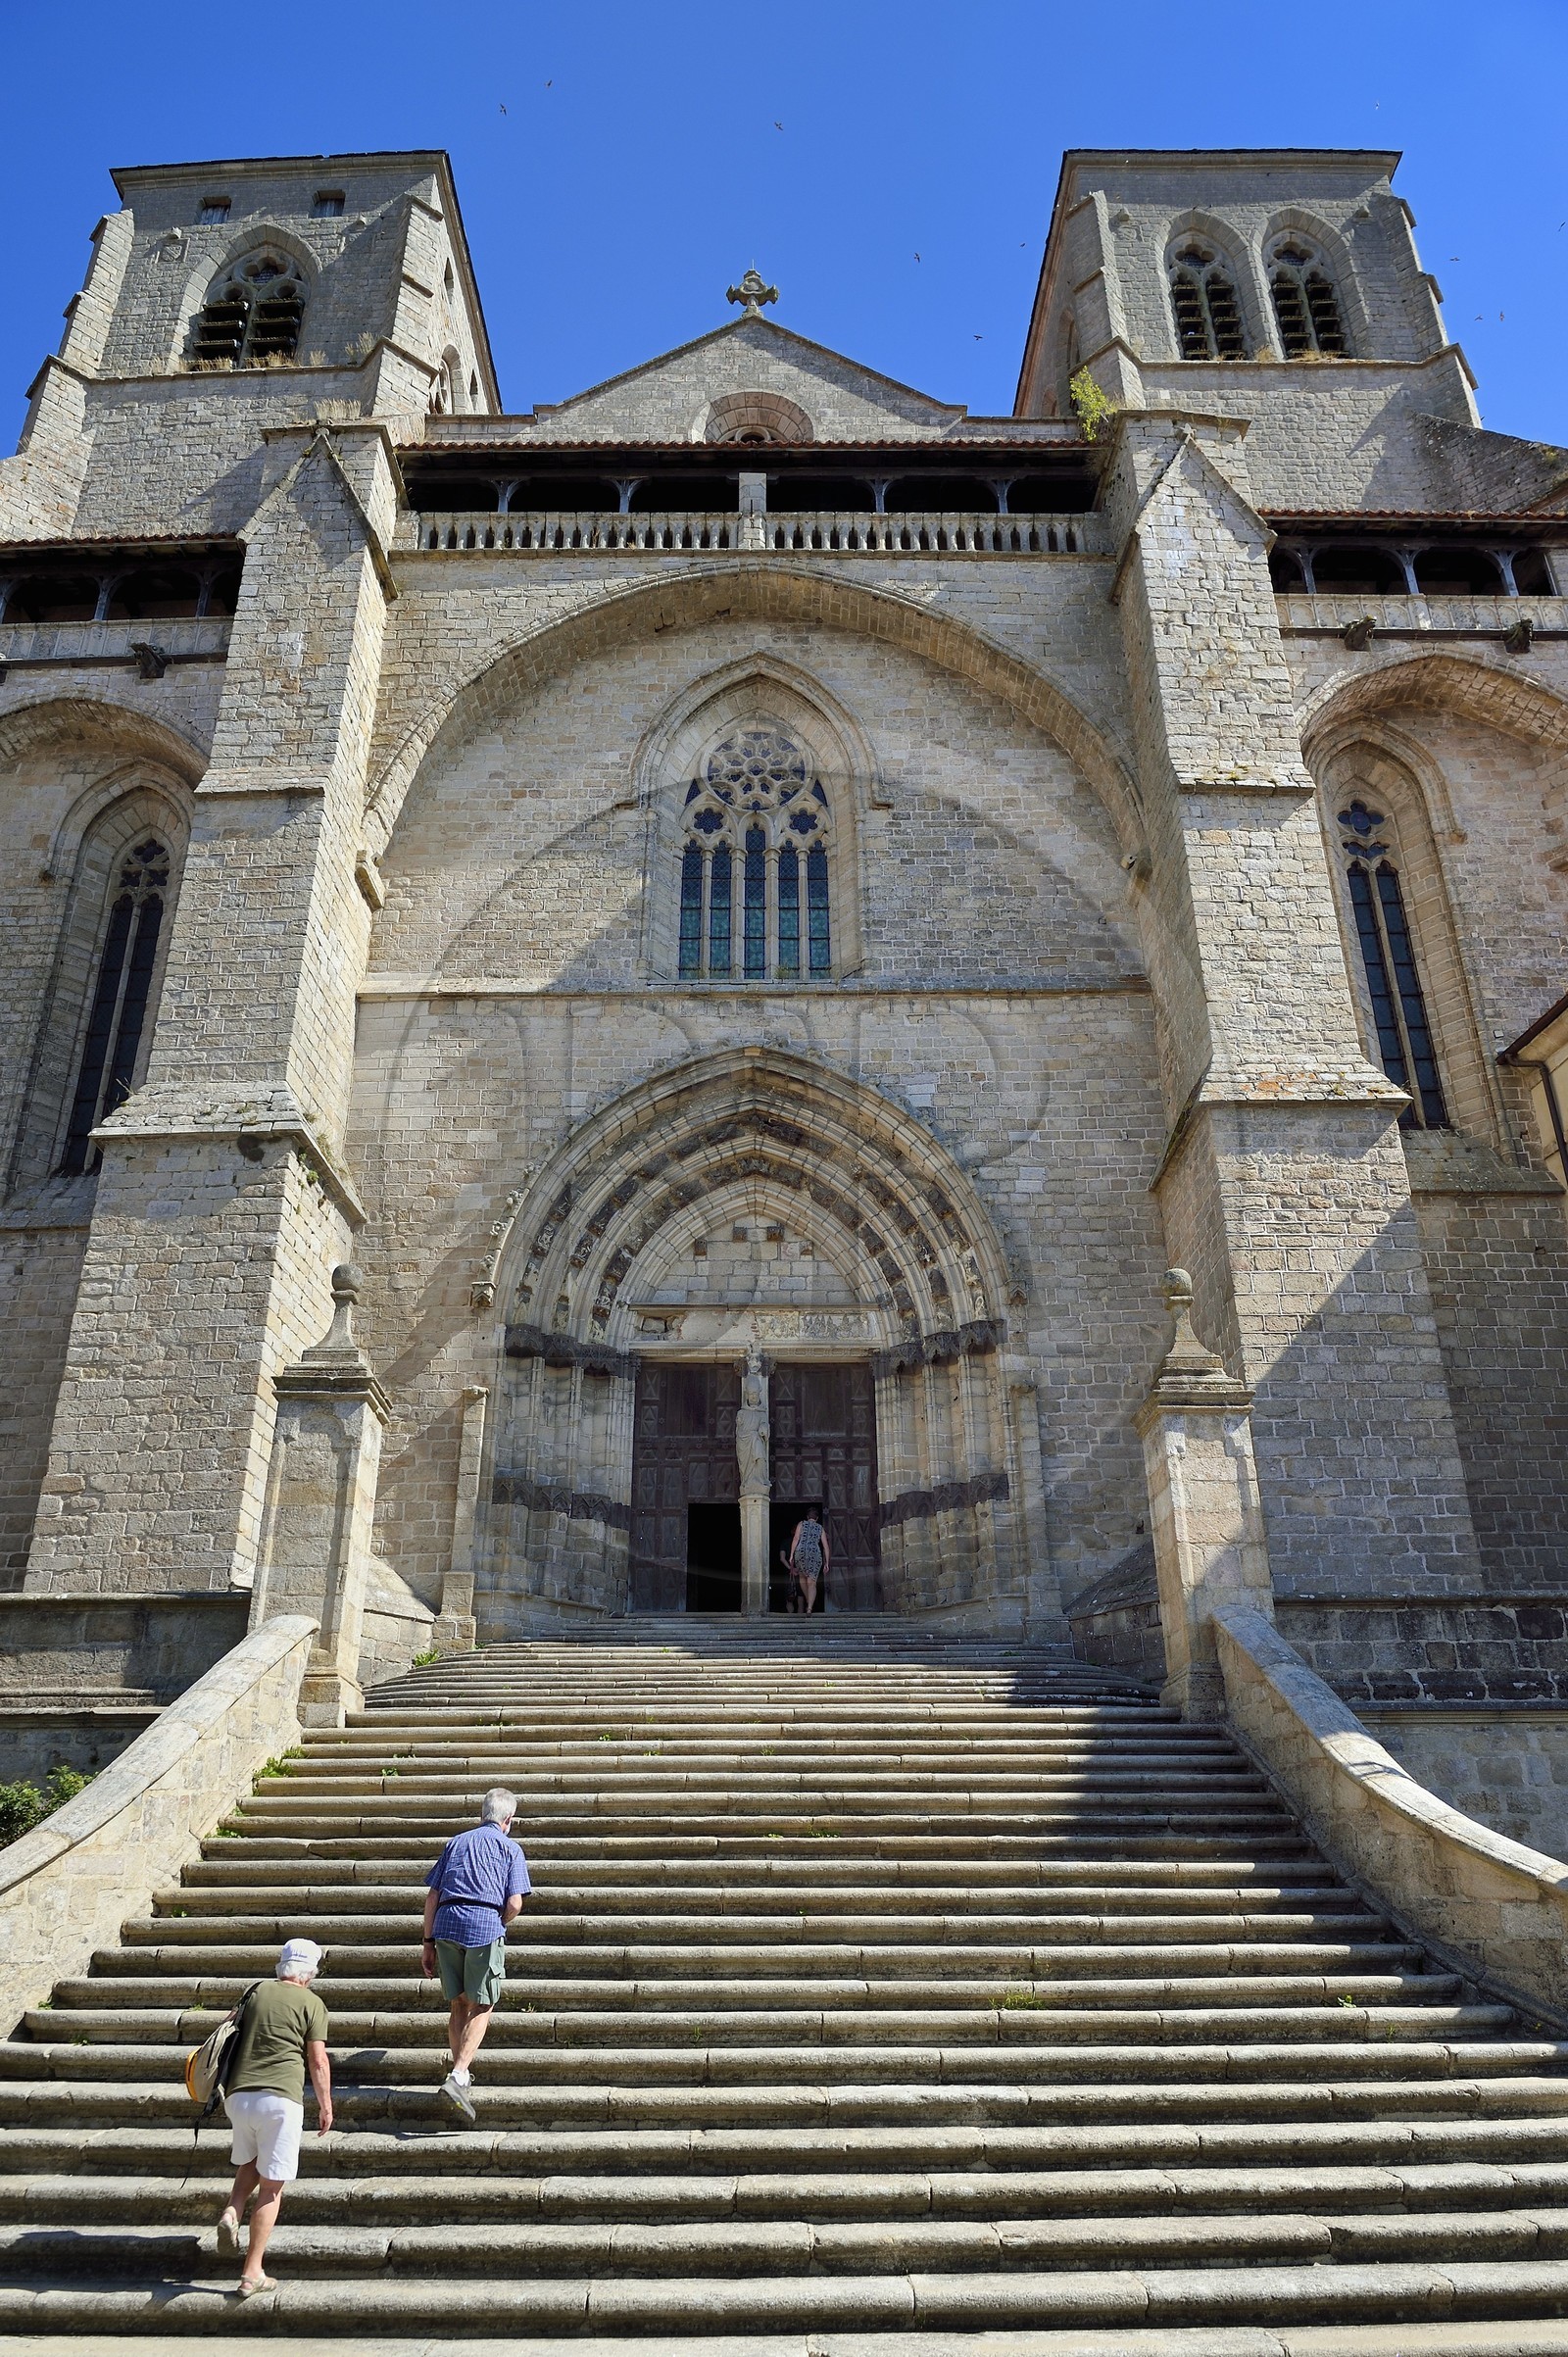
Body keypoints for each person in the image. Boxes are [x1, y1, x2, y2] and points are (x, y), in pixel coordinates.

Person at [216, 1935, 332, 2297]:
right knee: (272, 2187)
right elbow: (317, 2060)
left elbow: (225, 2033)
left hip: (238, 2096)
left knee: (251, 2159)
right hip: (280, 2100)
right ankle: (252, 2272)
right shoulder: (312, 2003)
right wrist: (326, 2105)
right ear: (310, 1972)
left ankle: (232, 2211)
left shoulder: (255, 1992)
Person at [422, 1785, 530, 2123]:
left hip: (446, 1924)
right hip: (483, 1924)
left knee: (458, 2002)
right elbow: (515, 1903)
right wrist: (499, 1920)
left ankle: (461, 2077)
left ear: (482, 1814)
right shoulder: (511, 1848)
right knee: (482, 2003)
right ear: (508, 1819)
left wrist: (427, 1942)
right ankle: (458, 2075)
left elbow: (432, 1897)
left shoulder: (455, 1843)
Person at [788, 1504, 829, 1616]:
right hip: (814, 1554)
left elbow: (796, 1539)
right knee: (812, 1582)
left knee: (802, 1577)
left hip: (800, 1552)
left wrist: (791, 1555)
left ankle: (808, 1600)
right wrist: (827, 1563)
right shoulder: (820, 1528)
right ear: (817, 1518)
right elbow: (825, 1546)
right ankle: (809, 1607)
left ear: (807, 1517)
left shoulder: (801, 1524)